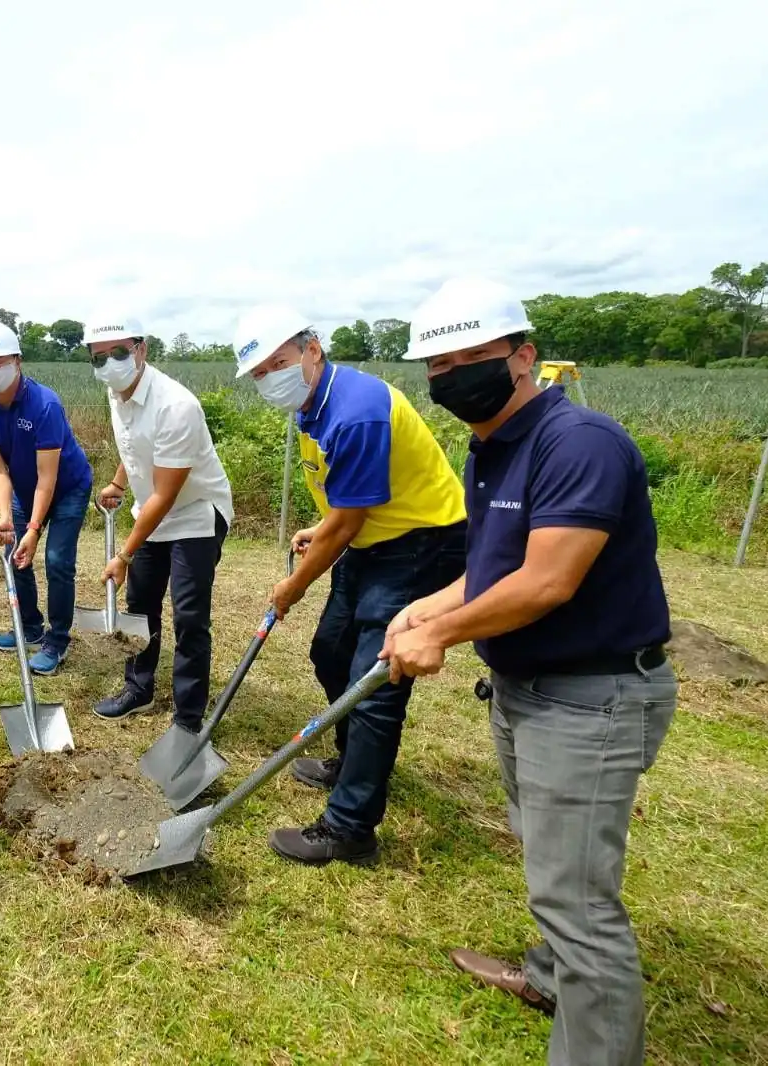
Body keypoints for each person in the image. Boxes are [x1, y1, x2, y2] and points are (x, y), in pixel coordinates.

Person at [383, 277, 675, 1066]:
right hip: (526, 691)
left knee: (578, 899)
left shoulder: (577, 443)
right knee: (545, 852)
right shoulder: (492, 448)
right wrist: (426, 607)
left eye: (471, 359)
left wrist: (442, 632)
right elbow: (495, 568)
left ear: (525, 357)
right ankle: (550, 976)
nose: (452, 378)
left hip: (592, 698)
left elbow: (549, 581)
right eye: (438, 367)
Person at [229, 305, 468, 867]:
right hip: (370, 541)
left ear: (312, 349)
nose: (270, 378)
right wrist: (324, 527)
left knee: (375, 683)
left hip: (420, 544)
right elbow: (346, 505)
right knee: (330, 653)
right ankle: (352, 755)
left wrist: (293, 586)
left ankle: (350, 826)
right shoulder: (314, 404)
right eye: (260, 373)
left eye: (278, 363)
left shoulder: (356, 411)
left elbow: (350, 520)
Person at [85, 314, 233, 730]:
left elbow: (166, 495)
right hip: (153, 509)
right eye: (98, 358)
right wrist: (118, 481)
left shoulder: (176, 406)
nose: (109, 364)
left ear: (141, 350)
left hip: (196, 514)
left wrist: (124, 554)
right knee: (140, 606)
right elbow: (135, 444)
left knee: (189, 615)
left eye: (117, 353)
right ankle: (138, 689)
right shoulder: (117, 393)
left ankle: (188, 716)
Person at [0, 321, 93, 674]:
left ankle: (57, 639)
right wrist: (6, 516)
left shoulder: (45, 405)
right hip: (25, 488)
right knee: (15, 552)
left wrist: (35, 527)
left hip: (68, 486)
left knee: (56, 559)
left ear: (18, 360)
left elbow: (48, 476)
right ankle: (30, 626)